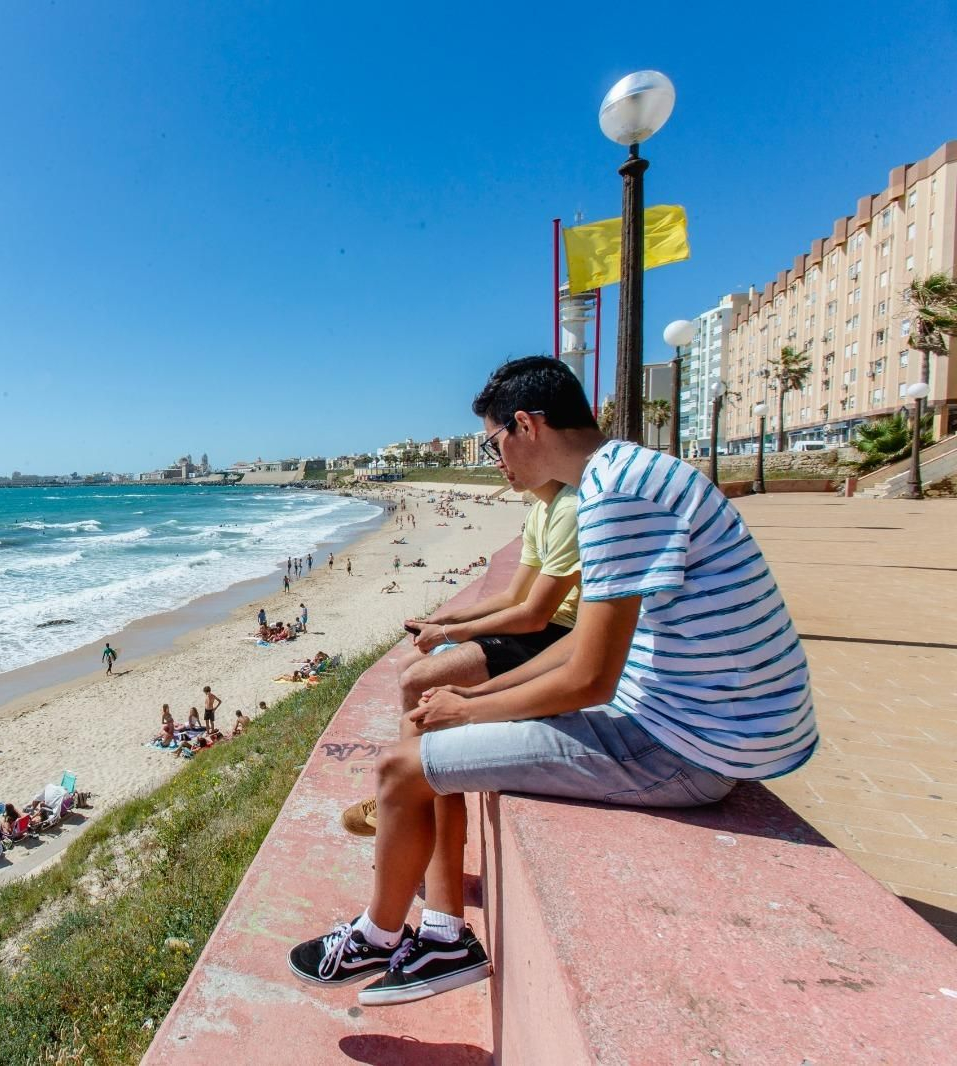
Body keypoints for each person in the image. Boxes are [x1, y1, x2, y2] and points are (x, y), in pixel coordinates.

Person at [291, 355, 815, 1007]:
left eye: (493, 442)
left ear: (526, 425)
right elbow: (585, 659)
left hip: (691, 749)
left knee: (404, 767)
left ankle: (386, 933)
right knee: (432, 727)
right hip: (700, 720)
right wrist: (472, 701)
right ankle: (441, 933)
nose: (495, 458)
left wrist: (470, 708)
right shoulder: (626, 473)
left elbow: (590, 679)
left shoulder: (612, 496)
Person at [341, 467, 583, 838]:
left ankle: (406, 801)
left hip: (558, 635)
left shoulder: (569, 508)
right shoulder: (539, 511)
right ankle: (409, 784)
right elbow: (511, 597)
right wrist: (440, 619)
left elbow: (535, 615)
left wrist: (447, 633)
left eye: (501, 448)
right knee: (409, 664)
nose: (502, 465)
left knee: (417, 678)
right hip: (539, 627)